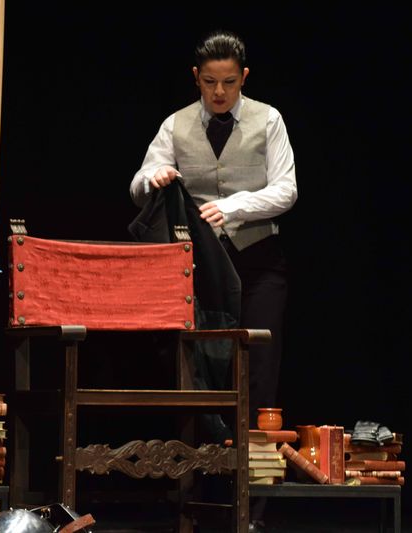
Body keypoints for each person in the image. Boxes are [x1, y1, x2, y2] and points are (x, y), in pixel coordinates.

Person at [129, 29, 297, 532]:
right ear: (196, 78)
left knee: (258, 377)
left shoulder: (268, 119)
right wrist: (154, 178)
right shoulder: (176, 124)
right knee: (198, 378)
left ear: (243, 77)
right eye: (209, 82)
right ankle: (197, 503)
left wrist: (234, 206)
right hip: (199, 268)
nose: (219, 92)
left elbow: (286, 189)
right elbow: (139, 184)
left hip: (258, 262)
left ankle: (253, 513)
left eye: (228, 82)